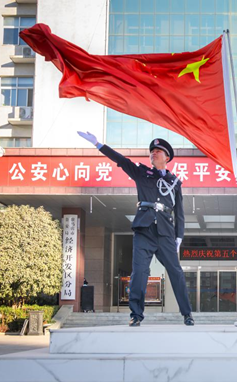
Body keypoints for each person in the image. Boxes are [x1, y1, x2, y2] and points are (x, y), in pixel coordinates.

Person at [78, 131, 194, 327]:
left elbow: (180, 212)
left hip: (165, 232)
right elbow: (121, 161)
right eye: (152, 151)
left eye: (158, 151)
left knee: (176, 272)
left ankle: (187, 314)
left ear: (167, 158)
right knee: (139, 272)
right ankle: (136, 315)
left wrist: (179, 237)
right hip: (144, 230)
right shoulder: (142, 173)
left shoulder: (175, 183)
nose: (153, 154)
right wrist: (98, 144)